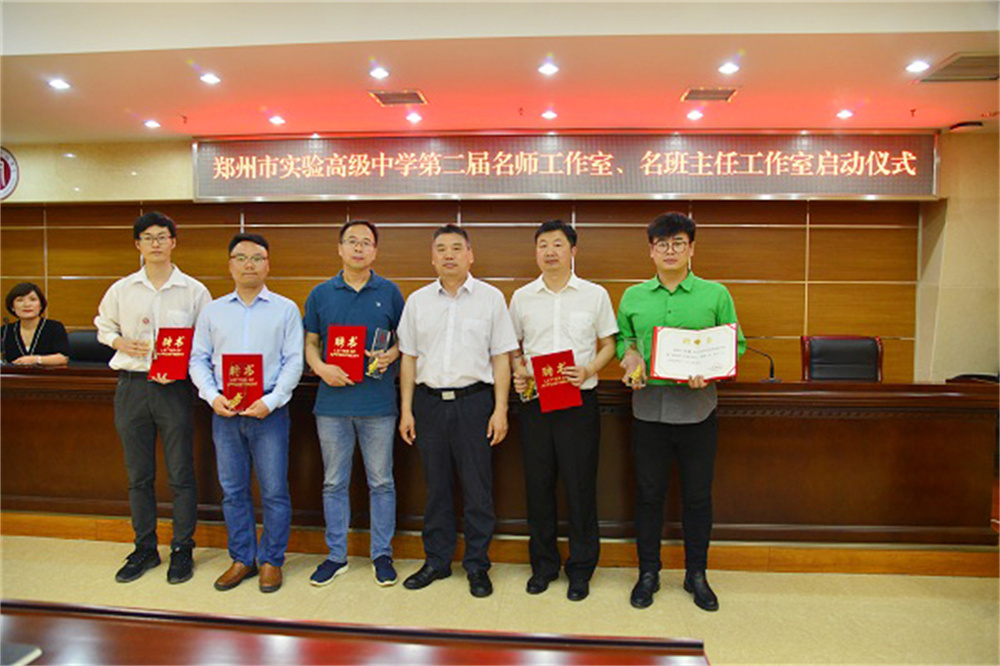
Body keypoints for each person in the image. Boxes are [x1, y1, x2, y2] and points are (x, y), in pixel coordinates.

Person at [617, 212, 745, 612]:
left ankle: (697, 574)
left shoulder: (715, 294)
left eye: (678, 243)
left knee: (697, 498)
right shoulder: (633, 296)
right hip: (648, 412)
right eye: (662, 244)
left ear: (692, 249)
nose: (669, 250)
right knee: (648, 496)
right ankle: (648, 573)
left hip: (698, 412)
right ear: (651, 251)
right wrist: (630, 359)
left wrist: (712, 370)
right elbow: (625, 341)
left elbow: (735, 345)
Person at [396, 224, 518, 598]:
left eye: (456, 248)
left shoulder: (491, 298)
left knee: (478, 489)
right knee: (436, 488)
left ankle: (477, 565)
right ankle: (436, 561)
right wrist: (406, 410)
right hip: (428, 404)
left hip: (475, 403)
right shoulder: (418, 301)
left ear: (470, 255)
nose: (448, 255)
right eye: (441, 249)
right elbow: (408, 358)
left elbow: (501, 357)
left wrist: (501, 409)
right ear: (432, 257)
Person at [94, 212, 211, 585]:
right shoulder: (122, 289)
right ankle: (144, 548)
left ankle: (182, 548)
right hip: (132, 385)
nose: (156, 243)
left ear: (174, 242)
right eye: (148, 237)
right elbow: (102, 325)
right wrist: (119, 342)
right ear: (138, 245)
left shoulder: (193, 290)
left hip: (174, 389)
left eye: (163, 236)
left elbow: (206, 340)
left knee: (180, 473)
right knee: (138, 475)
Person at [508, 220, 618, 601]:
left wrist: (588, 369)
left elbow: (609, 344)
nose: (550, 251)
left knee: (580, 485)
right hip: (536, 403)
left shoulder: (594, 295)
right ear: (536, 252)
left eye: (557, 244)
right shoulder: (522, 297)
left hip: (578, 401)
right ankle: (543, 566)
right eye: (543, 244)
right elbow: (513, 347)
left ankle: (581, 568)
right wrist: (519, 371)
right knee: (538, 485)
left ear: (573, 251)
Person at [189, 233, 304, 594]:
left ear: (268, 265)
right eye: (241, 258)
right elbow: (197, 359)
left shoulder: (285, 309)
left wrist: (272, 400)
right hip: (225, 411)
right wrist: (212, 396)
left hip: (269, 411)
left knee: (274, 491)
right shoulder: (213, 311)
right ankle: (242, 558)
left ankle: (271, 560)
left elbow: (294, 360)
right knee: (233, 490)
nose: (249, 264)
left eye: (257, 258)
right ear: (230, 266)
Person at [303, 220, 405, 588]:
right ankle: (336, 555)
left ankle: (382, 554)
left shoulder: (390, 292)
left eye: (366, 242)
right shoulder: (320, 293)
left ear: (375, 251)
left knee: (382, 482)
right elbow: (310, 342)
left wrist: (390, 355)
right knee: (333, 482)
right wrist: (320, 368)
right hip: (331, 405)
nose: (358, 248)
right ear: (340, 248)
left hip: (378, 404)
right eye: (351, 241)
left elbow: (405, 342)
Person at [2, 282, 69, 366]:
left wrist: (36, 359)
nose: (27, 305)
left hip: (45, 373)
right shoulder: (6, 330)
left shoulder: (54, 327)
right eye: (20, 300)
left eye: (32, 299)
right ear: (12, 307)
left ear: (41, 305)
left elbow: (62, 358)